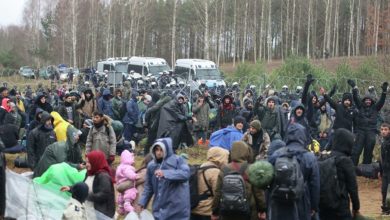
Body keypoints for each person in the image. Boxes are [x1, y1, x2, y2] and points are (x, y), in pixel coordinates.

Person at [268, 123, 320, 220]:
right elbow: (315, 184)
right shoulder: (309, 157)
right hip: (302, 200)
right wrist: (314, 206)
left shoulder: (276, 154)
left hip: (278, 201)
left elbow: (268, 181)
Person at [138, 137, 191, 220]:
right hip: (159, 209)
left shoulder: (178, 161)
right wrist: (143, 202)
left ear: (167, 150)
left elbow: (185, 174)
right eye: (156, 150)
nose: (158, 153)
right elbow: (148, 187)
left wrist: (165, 173)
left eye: (161, 150)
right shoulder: (152, 166)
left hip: (177, 209)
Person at [211, 141, 266, 220]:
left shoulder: (224, 169)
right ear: (246, 152)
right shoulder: (252, 169)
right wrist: (262, 210)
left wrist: (215, 212)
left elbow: (218, 192)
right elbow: (259, 193)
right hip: (249, 212)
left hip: (228, 212)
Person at [319, 128, 360, 220]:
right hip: (340, 206)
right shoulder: (345, 161)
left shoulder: (323, 157)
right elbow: (352, 187)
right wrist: (356, 207)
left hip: (322, 205)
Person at [61, 150, 115, 218]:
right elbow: (83, 187)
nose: (86, 164)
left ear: (95, 162)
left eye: (89, 162)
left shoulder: (103, 176)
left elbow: (104, 195)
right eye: (86, 162)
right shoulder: (89, 173)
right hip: (89, 211)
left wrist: (86, 196)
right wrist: (70, 188)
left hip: (101, 214)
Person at [349, 80, 388, 165]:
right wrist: (354, 88)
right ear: (363, 101)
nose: (367, 101)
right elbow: (355, 98)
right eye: (366, 100)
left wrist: (384, 92)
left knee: (368, 151)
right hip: (361, 131)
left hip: (371, 132)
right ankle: (352, 167)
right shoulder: (360, 107)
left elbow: (381, 101)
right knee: (356, 150)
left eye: (369, 100)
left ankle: (366, 168)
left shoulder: (375, 108)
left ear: (371, 101)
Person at [191, 147, 229, 220]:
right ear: (220, 157)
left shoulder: (200, 167)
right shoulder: (215, 172)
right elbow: (217, 194)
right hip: (206, 211)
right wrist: (216, 212)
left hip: (194, 208)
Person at [115, 150, 138, 215]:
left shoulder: (120, 167)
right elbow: (130, 175)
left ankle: (121, 208)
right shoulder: (127, 167)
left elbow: (116, 178)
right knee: (128, 198)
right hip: (128, 187)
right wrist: (135, 176)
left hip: (121, 186)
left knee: (122, 197)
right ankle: (130, 208)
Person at [380, 123, 390, 214]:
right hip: (385, 171)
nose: (383, 131)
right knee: (384, 190)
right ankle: (385, 209)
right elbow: (382, 158)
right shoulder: (383, 141)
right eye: (382, 129)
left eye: (386, 129)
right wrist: (381, 170)